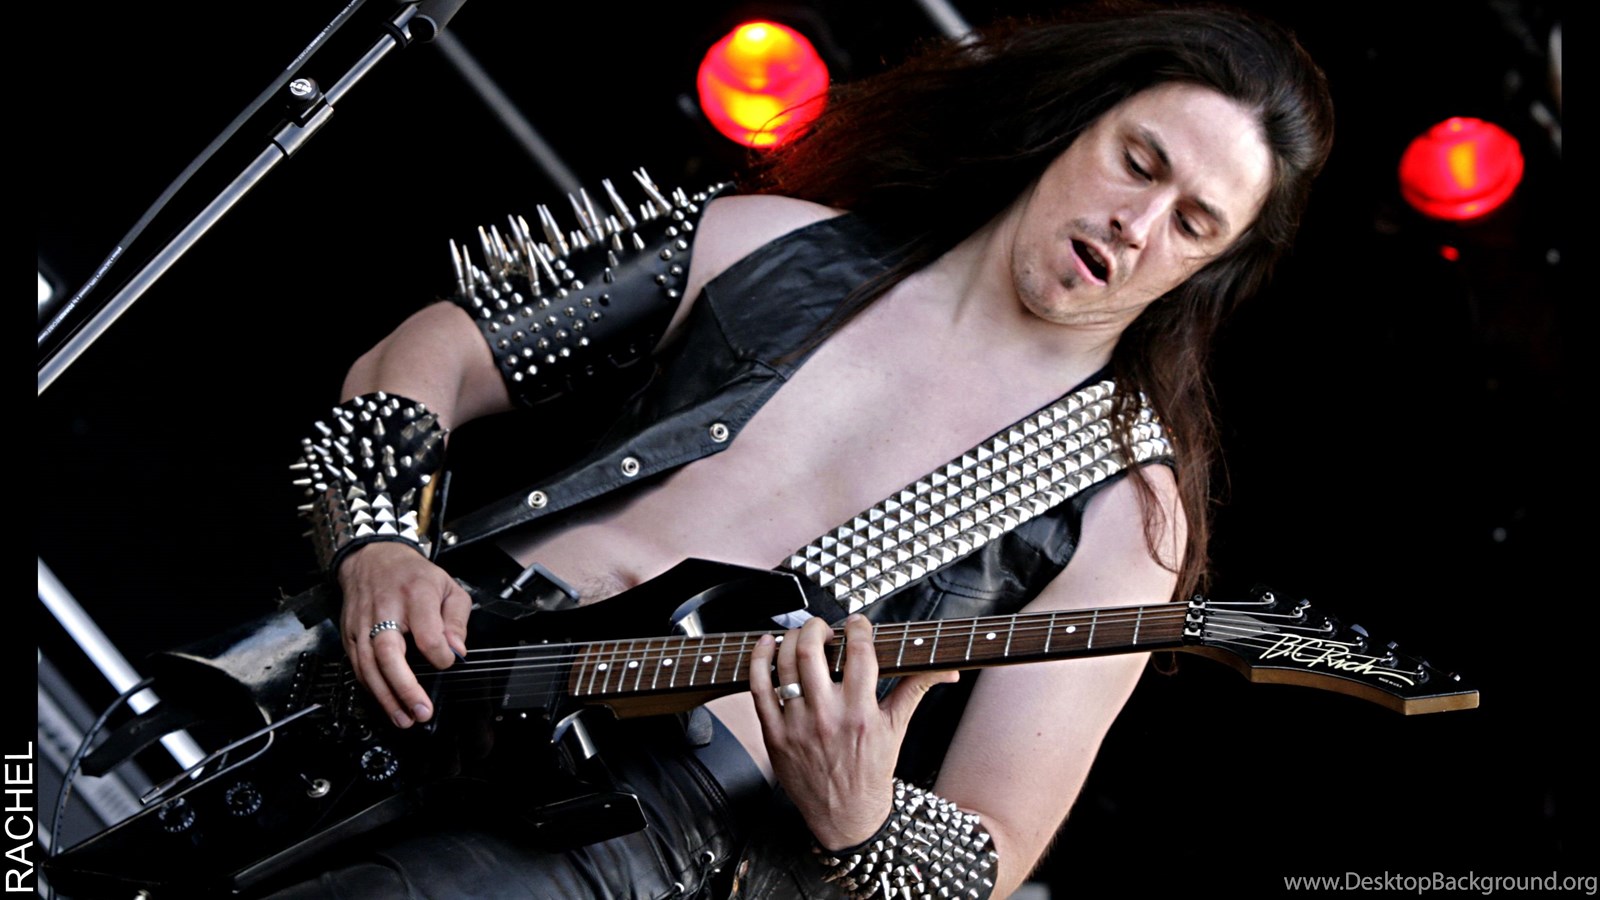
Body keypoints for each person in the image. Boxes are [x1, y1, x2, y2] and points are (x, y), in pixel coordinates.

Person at [275, 4, 1333, 897]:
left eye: (1193, 224)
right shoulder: (766, 239)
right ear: (1074, 123)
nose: (1139, 222)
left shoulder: (1125, 512)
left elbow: (997, 849)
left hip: (623, 827)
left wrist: (865, 816)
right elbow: (428, 352)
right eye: (1137, 162)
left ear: (1209, 269)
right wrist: (379, 542)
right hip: (421, 658)